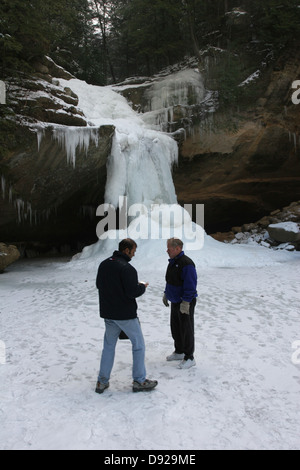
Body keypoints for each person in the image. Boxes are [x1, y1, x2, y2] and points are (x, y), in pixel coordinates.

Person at [95, 238, 158, 394]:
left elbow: (99, 285)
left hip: (109, 314)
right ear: (126, 250)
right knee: (139, 345)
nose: (134, 254)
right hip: (125, 315)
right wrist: (142, 287)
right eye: (133, 251)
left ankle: (102, 382)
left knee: (108, 347)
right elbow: (132, 292)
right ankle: (139, 380)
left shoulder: (104, 264)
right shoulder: (127, 268)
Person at [163, 237, 198, 369]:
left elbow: (190, 284)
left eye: (169, 248)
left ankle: (189, 357)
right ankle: (179, 351)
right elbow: (170, 280)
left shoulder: (186, 263)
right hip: (175, 300)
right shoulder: (173, 261)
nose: (167, 250)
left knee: (186, 329)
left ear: (178, 249)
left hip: (185, 302)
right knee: (176, 328)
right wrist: (166, 293)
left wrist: (186, 301)